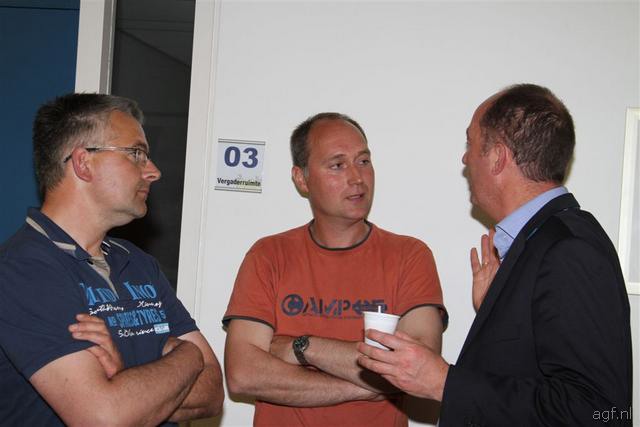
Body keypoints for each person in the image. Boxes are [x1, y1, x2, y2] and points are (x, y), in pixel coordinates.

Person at [357, 84, 633, 426]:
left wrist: (443, 383)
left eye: (470, 144)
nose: (465, 159)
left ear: (498, 157)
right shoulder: (540, 241)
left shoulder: (570, 249)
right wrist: (502, 313)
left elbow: (596, 412)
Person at [0, 93, 224, 425]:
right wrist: (189, 356)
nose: (154, 171)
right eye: (136, 154)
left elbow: (213, 392)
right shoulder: (24, 270)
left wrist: (124, 378)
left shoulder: (138, 262)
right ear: (83, 163)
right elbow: (105, 418)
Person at [223, 112, 447, 426]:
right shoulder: (268, 255)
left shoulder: (410, 256)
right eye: (337, 165)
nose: (357, 178)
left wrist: (303, 347)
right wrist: (367, 387)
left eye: (363, 161)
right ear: (301, 179)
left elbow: (417, 368)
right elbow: (243, 375)